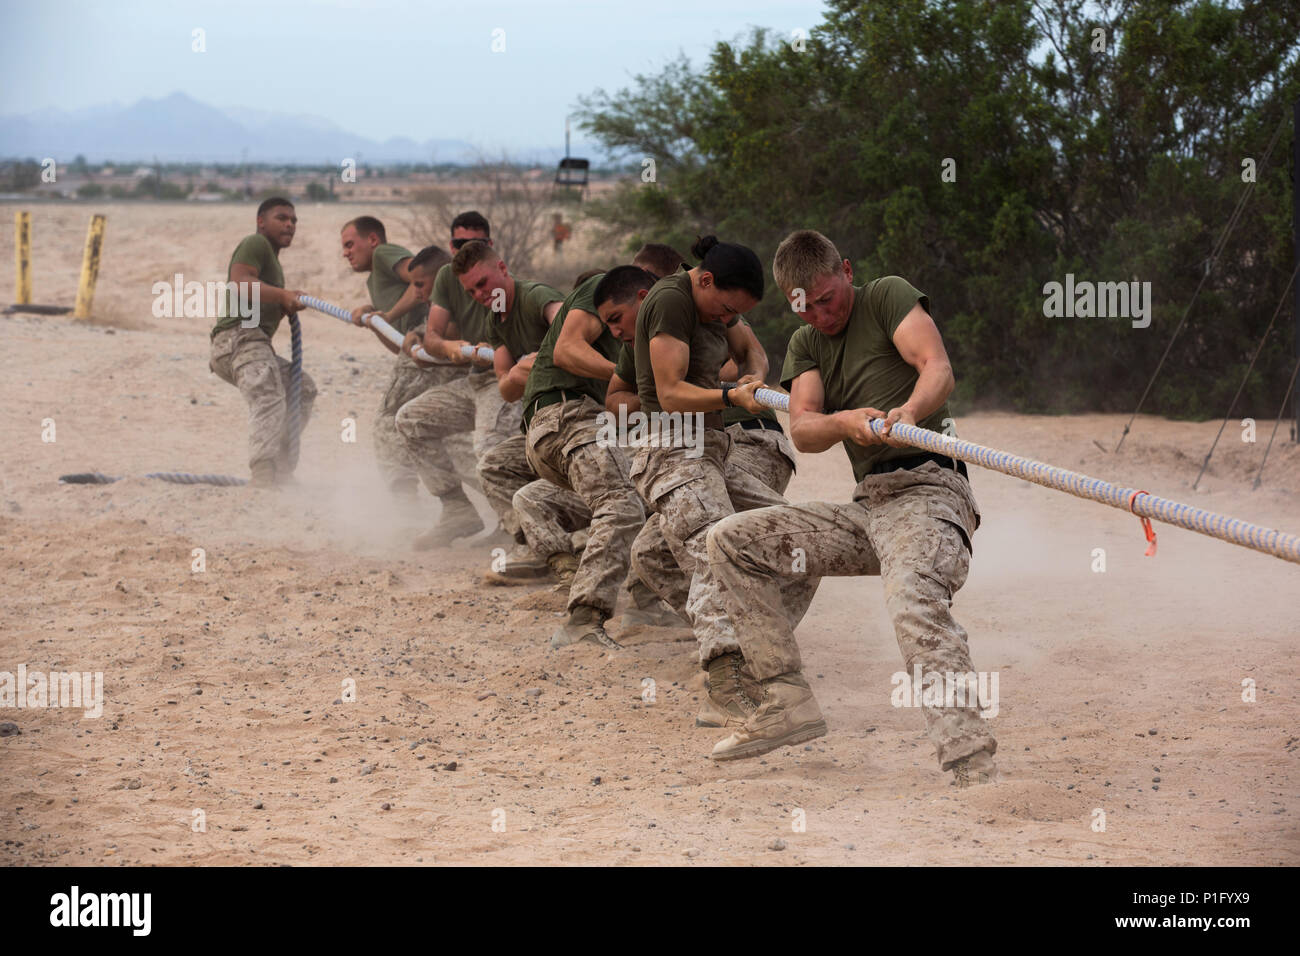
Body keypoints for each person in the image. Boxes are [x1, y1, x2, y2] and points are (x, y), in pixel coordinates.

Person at [705, 229, 997, 788]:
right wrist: (846, 421)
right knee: (730, 540)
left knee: (913, 601)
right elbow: (807, 428)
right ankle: (785, 698)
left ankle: (969, 760)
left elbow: (938, 367)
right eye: (803, 306)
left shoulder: (888, 296)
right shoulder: (806, 343)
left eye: (826, 298)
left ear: (846, 270)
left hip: (931, 491)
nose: (818, 313)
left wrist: (908, 410)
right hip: (869, 508)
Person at [628, 235, 815, 728]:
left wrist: (751, 379)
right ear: (705, 281)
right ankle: (725, 679)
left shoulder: (721, 305)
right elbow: (668, 393)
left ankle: (756, 651)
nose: (726, 319)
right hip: (671, 446)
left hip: (715, 449)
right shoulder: (670, 298)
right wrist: (734, 396)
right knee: (716, 554)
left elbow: (753, 352)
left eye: (735, 313)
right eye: (724, 309)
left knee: (803, 545)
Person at [339, 219, 476, 519]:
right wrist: (377, 324)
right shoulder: (374, 279)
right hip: (421, 343)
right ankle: (458, 505)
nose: (346, 253)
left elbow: (421, 283)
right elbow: (399, 347)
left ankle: (410, 505)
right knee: (428, 425)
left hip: (430, 337)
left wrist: (385, 315)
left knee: (390, 420)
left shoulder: (384, 254)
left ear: (372, 240)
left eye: (350, 244)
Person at [394, 212, 508, 549]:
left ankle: (514, 528)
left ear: (490, 248)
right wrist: (446, 346)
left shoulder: (504, 280)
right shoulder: (447, 277)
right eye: (460, 245)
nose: (467, 250)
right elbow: (435, 335)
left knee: (489, 449)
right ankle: (456, 510)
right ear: (451, 246)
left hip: (503, 380)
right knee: (410, 419)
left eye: (476, 244)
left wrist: (497, 349)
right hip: (474, 380)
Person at [208, 197, 315, 487]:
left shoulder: (273, 263)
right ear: (261, 222)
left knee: (302, 389)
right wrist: (282, 296)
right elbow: (240, 281)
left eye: (294, 220)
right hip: (238, 338)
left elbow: (256, 293)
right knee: (268, 394)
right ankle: (264, 474)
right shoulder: (255, 245)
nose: (290, 224)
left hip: (253, 344)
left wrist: (282, 303)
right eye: (282, 218)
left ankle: (281, 470)